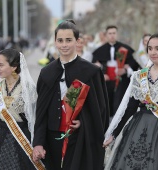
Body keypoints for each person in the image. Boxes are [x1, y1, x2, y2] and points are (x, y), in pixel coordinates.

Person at [32, 19, 110, 170]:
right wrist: (38, 143)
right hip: (52, 139)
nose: (64, 44)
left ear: (77, 41)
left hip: (80, 138)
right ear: (54, 42)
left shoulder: (91, 72)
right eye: (60, 40)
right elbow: (41, 113)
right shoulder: (46, 73)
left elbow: (100, 109)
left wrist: (83, 121)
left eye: (69, 40)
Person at [103, 33, 158, 169]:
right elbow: (130, 108)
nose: (153, 52)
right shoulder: (140, 76)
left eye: (157, 48)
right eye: (150, 48)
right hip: (139, 127)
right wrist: (114, 134)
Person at [0, 49, 39, 169]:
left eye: (1, 65)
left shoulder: (28, 89)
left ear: (14, 67)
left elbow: (35, 119)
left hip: (21, 138)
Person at [92, 25, 139, 117]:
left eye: (114, 33)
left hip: (121, 81)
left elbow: (134, 64)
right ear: (106, 35)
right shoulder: (99, 51)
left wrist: (125, 70)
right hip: (106, 81)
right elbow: (94, 66)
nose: (112, 35)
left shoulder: (125, 48)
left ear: (117, 34)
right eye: (110, 33)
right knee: (106, 103)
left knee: (120, 103)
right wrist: (101, 74)